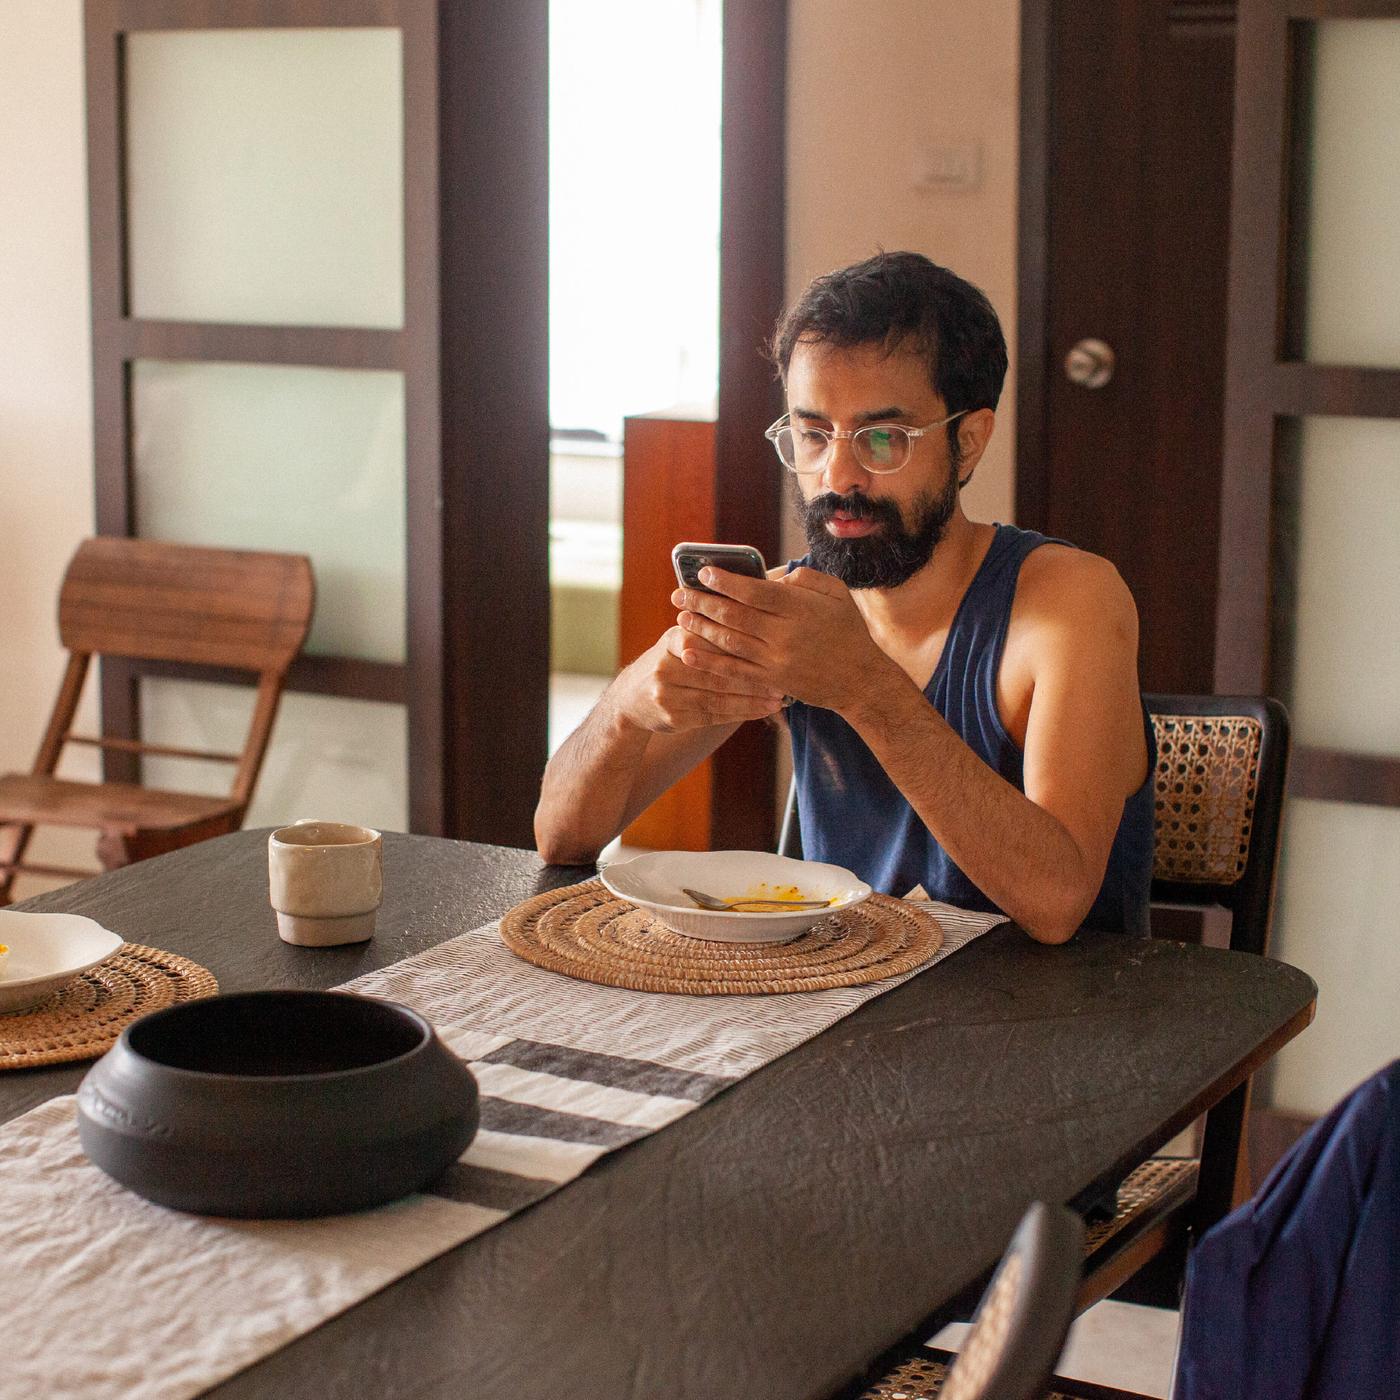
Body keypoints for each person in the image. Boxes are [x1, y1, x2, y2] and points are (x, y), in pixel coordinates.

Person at [534, 251, 1154, 942]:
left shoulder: (1070, 602)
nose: (838, 474)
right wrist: (624, 708)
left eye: (883, 437)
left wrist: (864, 687)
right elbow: (561, 839)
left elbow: (1058, 901)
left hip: (1057, 1029)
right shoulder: (792, 613)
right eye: (813, 433)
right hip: (837, 1014)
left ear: (969, 442)